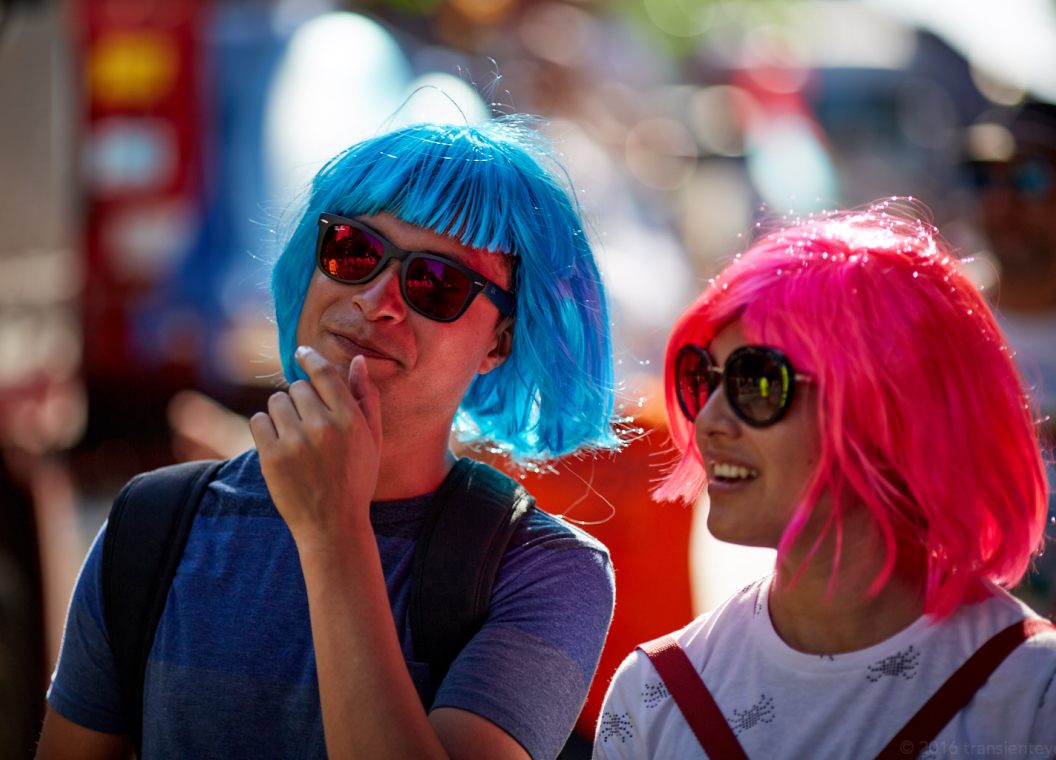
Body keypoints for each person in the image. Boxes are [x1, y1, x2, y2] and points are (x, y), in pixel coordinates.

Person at [38, 117, 620, 759]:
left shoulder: (545, 570)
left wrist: (334, 535)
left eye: (436, 283)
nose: (375, 298)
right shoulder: (152, 523)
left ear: (500, 343)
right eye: (353, 249)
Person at [593, 205, 1056, 758]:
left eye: (757, 382)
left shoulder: (1043, 693)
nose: (709, 421)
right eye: (705, 378)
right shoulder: (655, 696)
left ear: (885, 412)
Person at [963, 100, 1056, 644]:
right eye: (985, 177)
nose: (1002, 201)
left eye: (1030, 176)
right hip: (957, 664)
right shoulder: (931, 325)